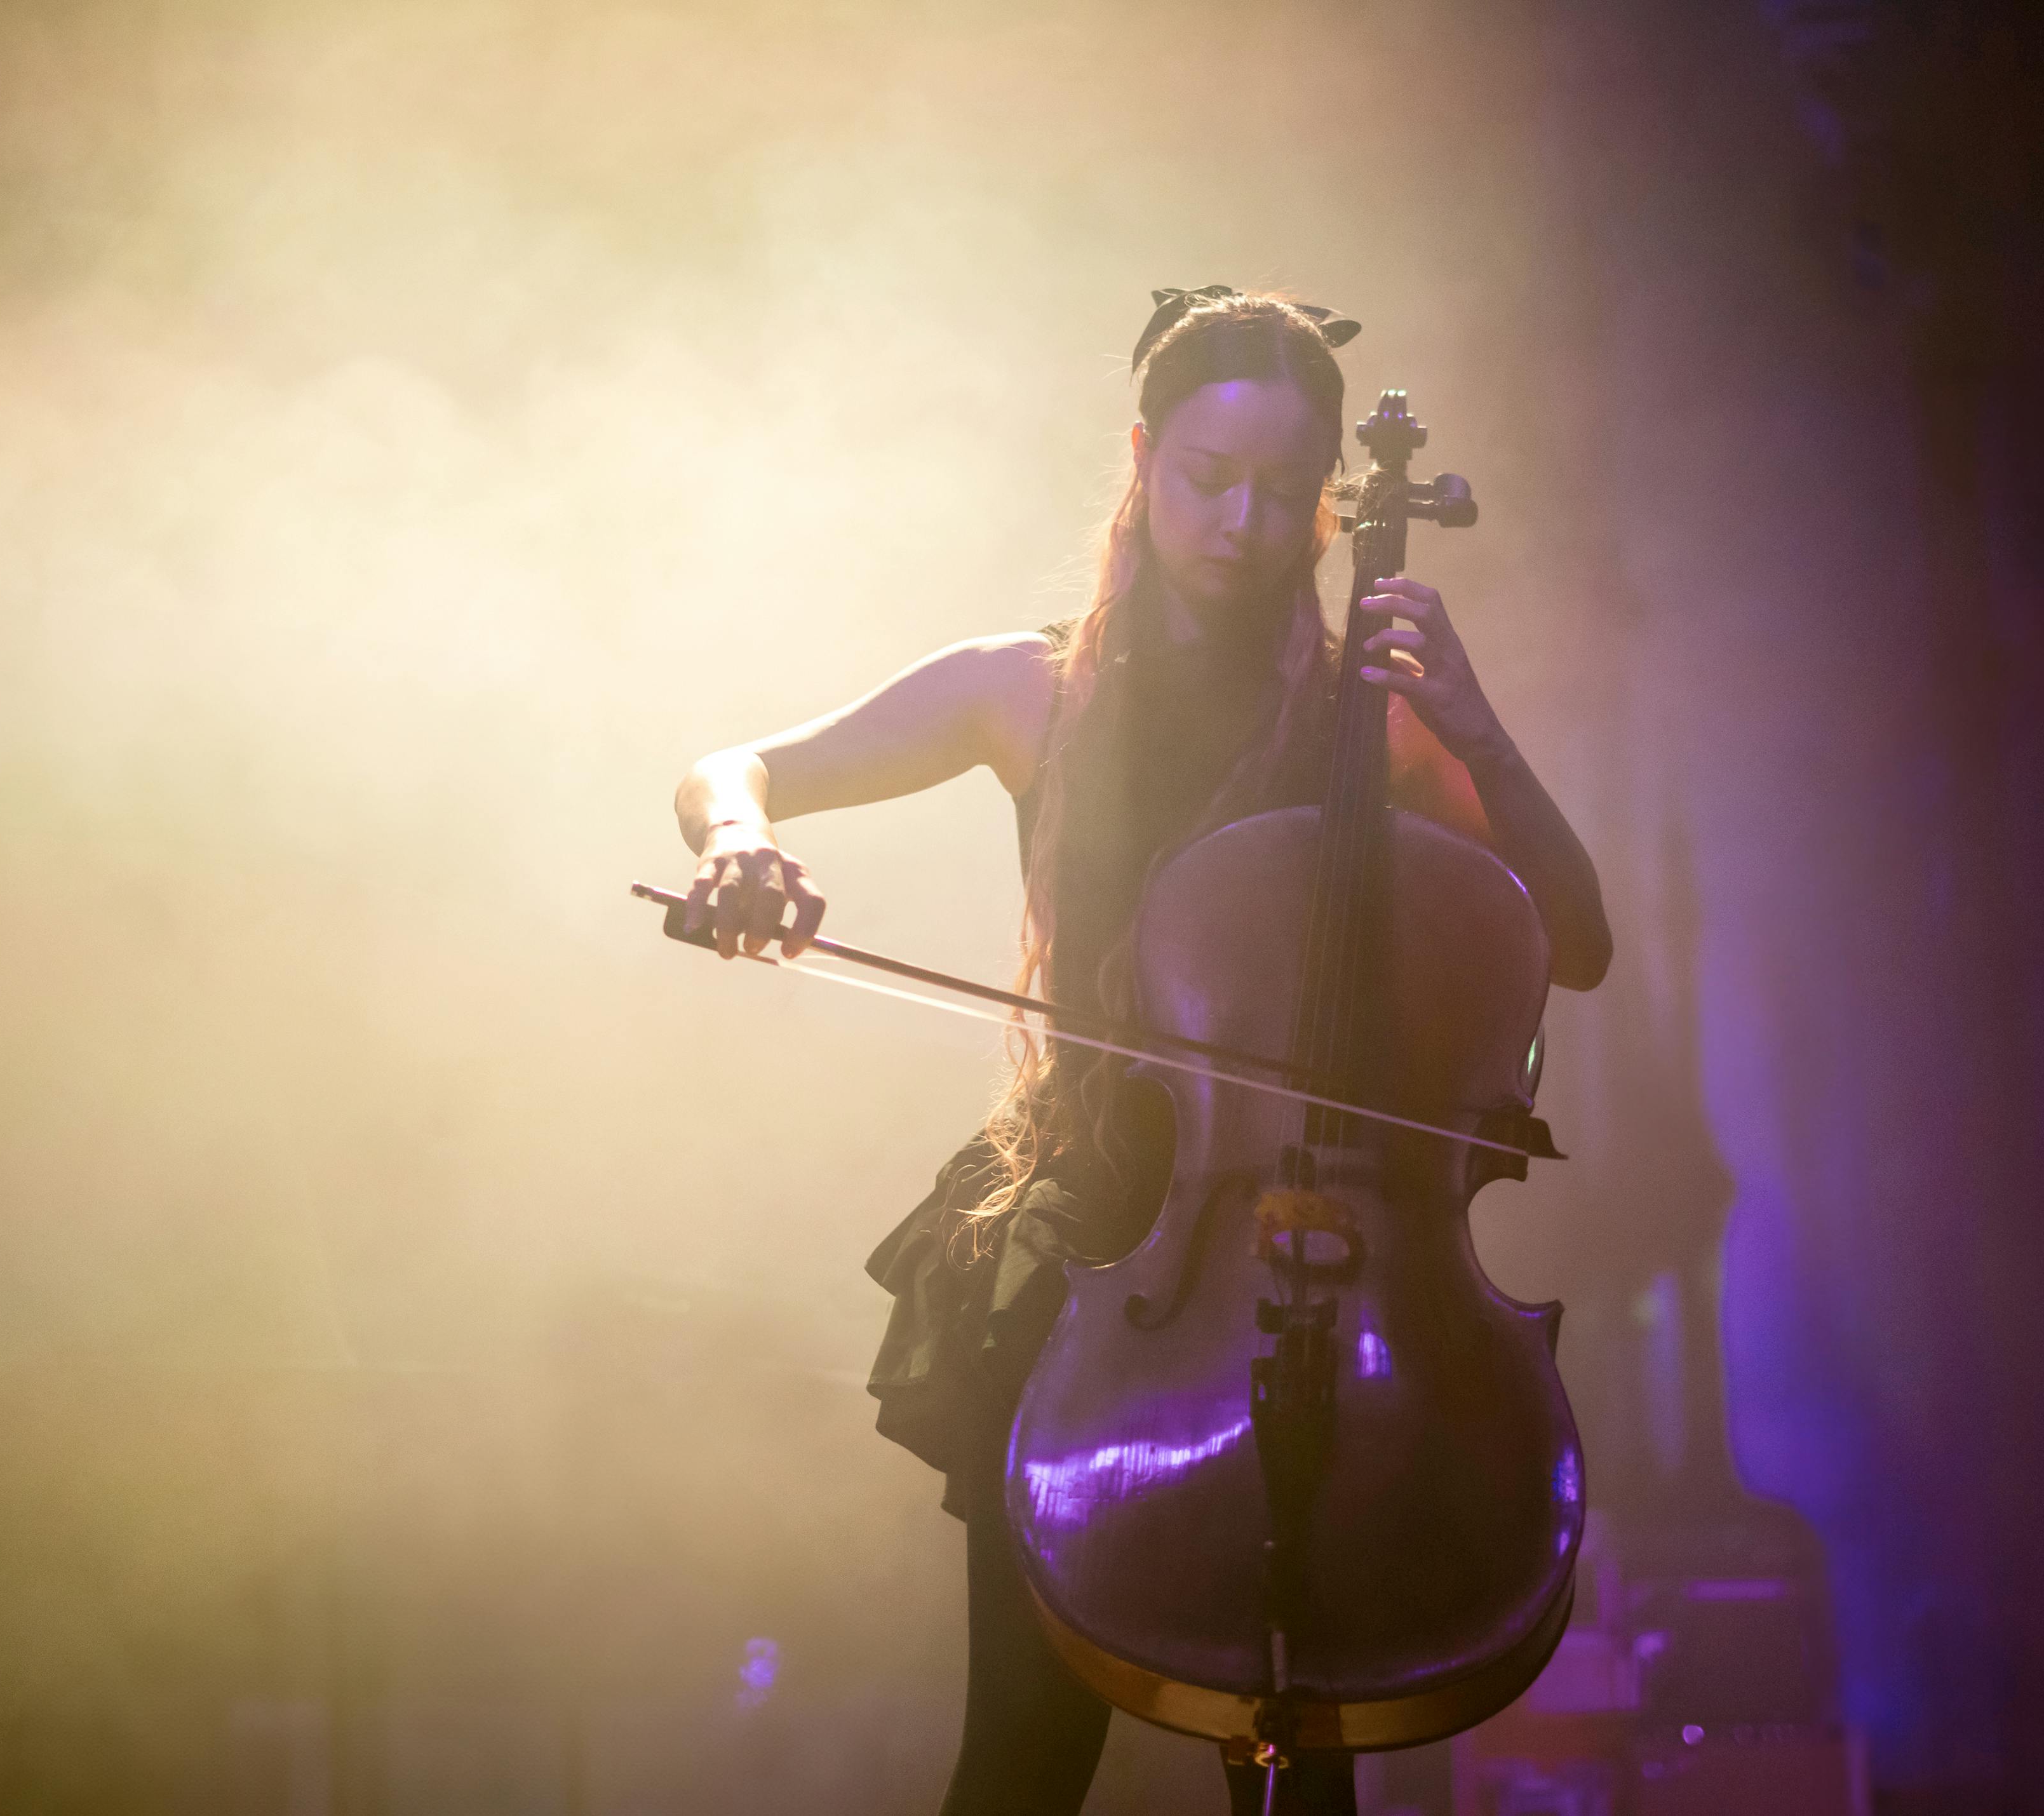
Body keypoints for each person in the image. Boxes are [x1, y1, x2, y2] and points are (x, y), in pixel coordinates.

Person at [673, 289, 1611, 1816]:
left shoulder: (1366, 722)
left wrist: (1477, 726)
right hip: (1095, 1271)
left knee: (1310, 1777)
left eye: (1284, 491)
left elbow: (1573, 939)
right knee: (1024, 1764)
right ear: (1140, 459)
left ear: (1329, 504)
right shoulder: (1031, 687)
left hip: (1329, 1282)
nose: (1242, 522)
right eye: (1204, 477)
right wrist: (743, 851)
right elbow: (740, 766)